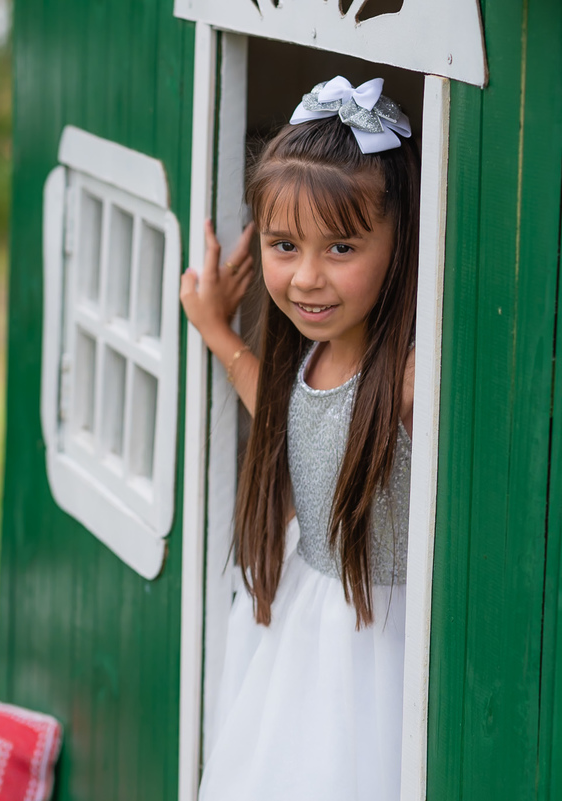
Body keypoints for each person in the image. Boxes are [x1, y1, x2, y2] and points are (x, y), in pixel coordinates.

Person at [180, 76, 419, 801]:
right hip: (299, 619)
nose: (307, 277)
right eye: (285, 245)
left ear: (400, 240)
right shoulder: (310, 358)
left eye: (341, 246)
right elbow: (288, 419)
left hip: (374, 643)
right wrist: (219, 329)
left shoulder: (409, 380)